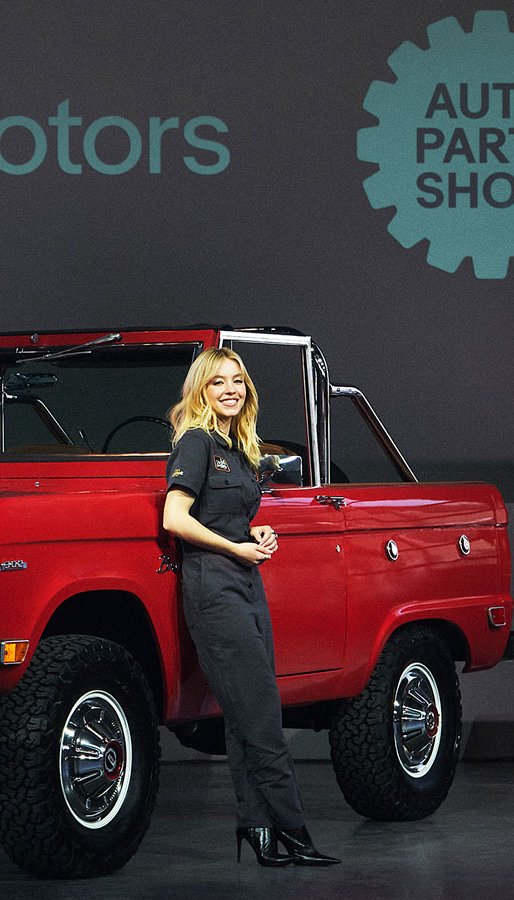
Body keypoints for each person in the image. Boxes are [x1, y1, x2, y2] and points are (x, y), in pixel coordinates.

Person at [161, 346, 339, 868]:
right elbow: (175, 517)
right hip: (213, 587)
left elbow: (227, 514)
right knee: (262, 715)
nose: (230, 390)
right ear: (201, 391)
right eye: (218, 383)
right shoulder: (195, 443)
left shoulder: (237, 447)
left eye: (237, 380)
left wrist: (251, 532)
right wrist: (234, 547)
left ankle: (257, 828)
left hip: (245, 583)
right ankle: (295, 830)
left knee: (242, 716)